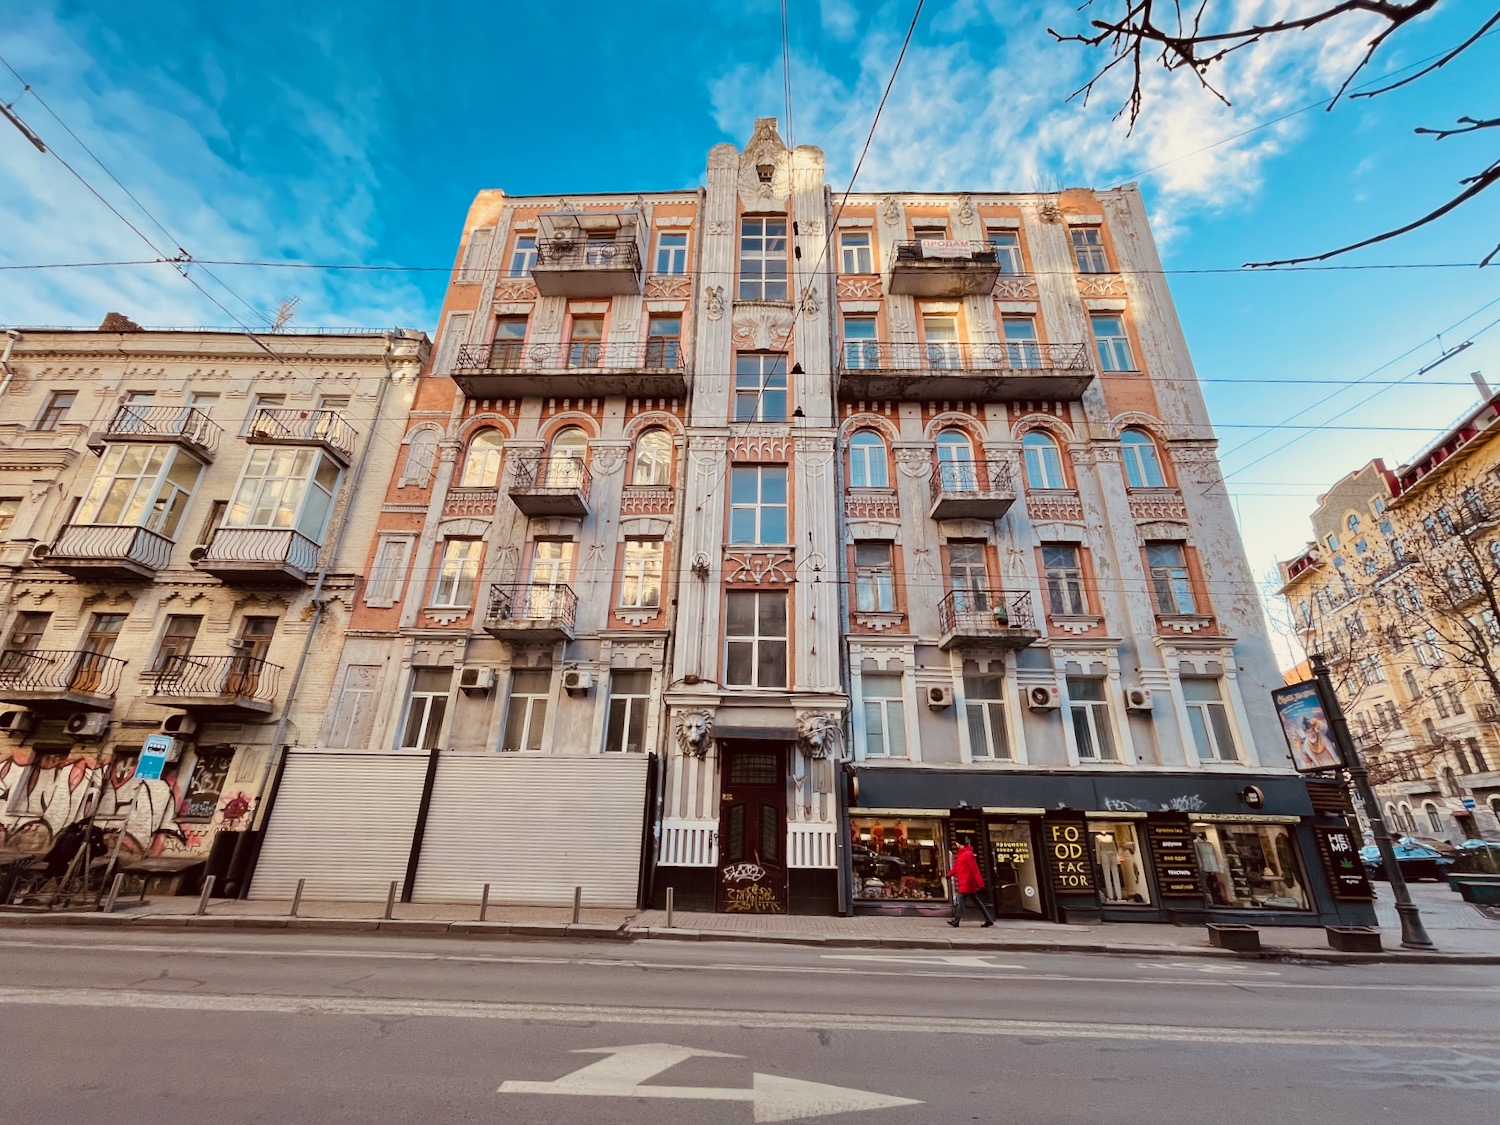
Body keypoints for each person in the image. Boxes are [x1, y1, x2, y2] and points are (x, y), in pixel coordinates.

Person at [946, 840, 994, 927]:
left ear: (961, 844)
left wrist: (981, 884)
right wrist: (949, 875)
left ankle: (956, 921)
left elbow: (975, 869)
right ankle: (988, 919)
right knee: (976, 902)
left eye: (957, 842)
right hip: (965, 882)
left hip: (967, 882)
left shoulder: (968, 854)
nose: (956, 844)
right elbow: (957, 867)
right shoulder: (961, 854)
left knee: (961, 901)